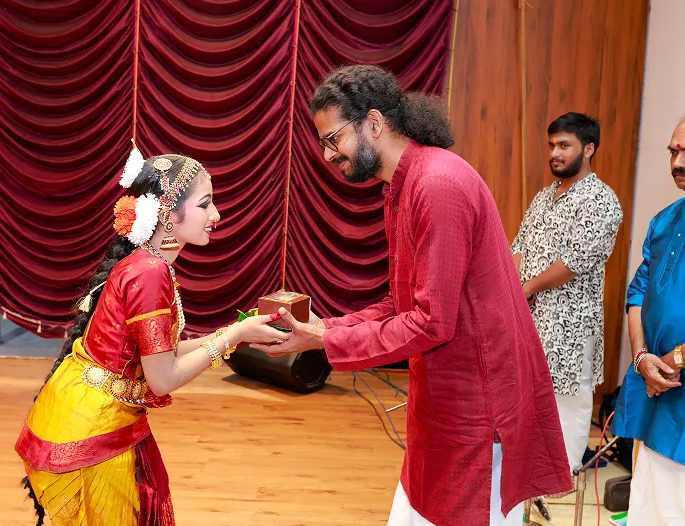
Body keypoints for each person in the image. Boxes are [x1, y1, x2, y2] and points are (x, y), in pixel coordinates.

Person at [252, 65, 571, 526]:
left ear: (375, 124)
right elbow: (400, 303)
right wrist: (326, 328)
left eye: (333, 138)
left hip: (478, 412)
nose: (327, 155)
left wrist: (327, 343)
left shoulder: (437, 185)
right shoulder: (403, 185)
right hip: (441, 401)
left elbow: (430, 322)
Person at [15, 149, 288, 526]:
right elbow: (162, 377)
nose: (217, 215)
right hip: (91, 430)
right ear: (167, 213)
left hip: (82, 416)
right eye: (206, 204)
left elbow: (162, 354)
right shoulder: (150, 272)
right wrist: (234, 335)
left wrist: (236, 334)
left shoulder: (146, 264)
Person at [511, 112, 623, 475]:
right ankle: (530, 471)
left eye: (564, 145)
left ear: (588, 149)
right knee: (528, 395)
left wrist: (526, 287)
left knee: (569, 403)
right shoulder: (545, 196)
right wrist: (512, 290)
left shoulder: (602, 200)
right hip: (530, 318)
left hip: (571, 325)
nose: (555, 153)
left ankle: (563, 473)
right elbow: (520, 245)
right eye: (552, 145)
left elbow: (575, 260)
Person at [612, 118, 685, 525]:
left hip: (674, 385)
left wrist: (673, 361)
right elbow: (637, 293)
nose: (677, 161)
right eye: (673, 151)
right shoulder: (665, 220)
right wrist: (642, 357)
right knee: (646, 502)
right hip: (657, 385)